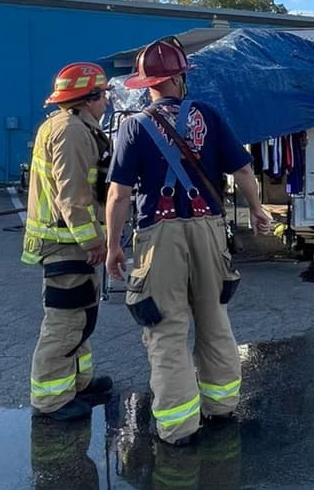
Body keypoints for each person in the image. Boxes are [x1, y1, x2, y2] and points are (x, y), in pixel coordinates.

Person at [105, 38, 272, 447]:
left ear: (147, 84)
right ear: (181, 78)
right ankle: (221, 407)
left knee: (166, 329)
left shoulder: (133, 127)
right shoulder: (210, 117)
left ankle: (179, 428)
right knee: (214, 321)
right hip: (209, 229)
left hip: (159, 236)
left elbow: (119, 195)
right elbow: (244, 171)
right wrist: (257, 210)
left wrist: (113, 246)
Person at [22, 62, 115, 422]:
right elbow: (72, 194)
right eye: (103, 94)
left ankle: (78, 382)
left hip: (72, 240)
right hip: (67, 243)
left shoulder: (74, 127)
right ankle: (51, 399)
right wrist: (93, 240)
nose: (106, 100)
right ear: (89, 97)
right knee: (64, 322)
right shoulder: (72, 131)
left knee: (80, 316)